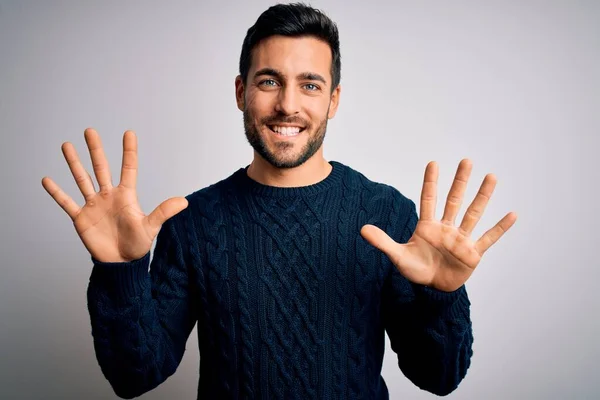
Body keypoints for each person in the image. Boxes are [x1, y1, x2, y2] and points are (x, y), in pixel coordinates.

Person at [41, 3, 517, 399]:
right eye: (269, 81)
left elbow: (439, 378)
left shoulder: (386, 213)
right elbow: (134, 376)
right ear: (240, 91)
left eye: (310, 84)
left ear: (333, 100)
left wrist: (442, 297)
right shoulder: (195, 222)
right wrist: (120, 273)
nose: (289, 104)